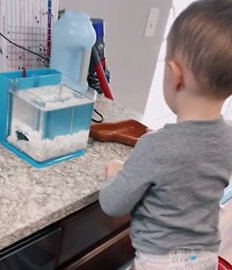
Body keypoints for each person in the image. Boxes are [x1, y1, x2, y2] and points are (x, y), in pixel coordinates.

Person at [99, 0, 232, 269]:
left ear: (175, 75)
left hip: (158, 263)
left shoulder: (154, 147)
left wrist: (116, 174)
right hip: (205, 259)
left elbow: (113, 204)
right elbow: (191, 174)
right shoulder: (228, 141)